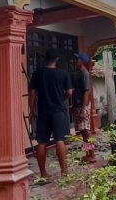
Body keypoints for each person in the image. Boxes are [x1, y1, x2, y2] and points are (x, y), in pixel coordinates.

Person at [28, 49, 72, 183]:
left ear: (45, 59)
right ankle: (64, 172)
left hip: (43, 111)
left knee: (42, 142)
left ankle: (43, 173)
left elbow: (33, 94)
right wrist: (62, 99)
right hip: (58, 111)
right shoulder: (63, 73)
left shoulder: (37, 73)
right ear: (56, 60)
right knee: (60, 140)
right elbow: (69, 92)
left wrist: (31, 111)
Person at [72, 52, 95, 163]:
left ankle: (91, 155)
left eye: (76, 59)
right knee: (83, 131)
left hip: (82, 105)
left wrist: (82, 109)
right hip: (79, 105)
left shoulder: (84, 73)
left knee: (86, 130)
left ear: (81, 61)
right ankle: (87, 154)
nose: (74, 61)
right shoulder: (79, 73)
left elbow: (86, 92)